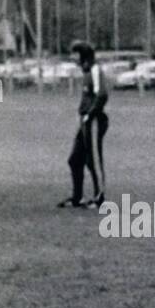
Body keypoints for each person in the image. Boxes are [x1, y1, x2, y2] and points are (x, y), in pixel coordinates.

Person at [56, 41, 108, 208]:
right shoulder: (86, 71)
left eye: (75, 54)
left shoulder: (95, 70)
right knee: (74, 160)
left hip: (92, 121)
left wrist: (90, 114)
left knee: (93, 159)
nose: (73, 58)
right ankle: (77, 197)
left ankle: (99, 198)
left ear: (83, 55)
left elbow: (102, 95)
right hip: (85, 121)